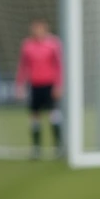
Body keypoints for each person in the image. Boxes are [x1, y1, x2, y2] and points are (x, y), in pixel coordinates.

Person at [16, 19, 64, 159]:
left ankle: (58, 146)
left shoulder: (53, 44)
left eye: (40, 29)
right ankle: (36, 148)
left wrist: (58, 85)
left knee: (53, 115)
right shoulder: (27, 45)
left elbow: (59, 66)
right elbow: (23, 67)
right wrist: (20, 85)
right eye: (35, 29)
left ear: (45, 29)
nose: (37, 32)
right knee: (34, 116)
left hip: (49, 85)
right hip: (34, 85)